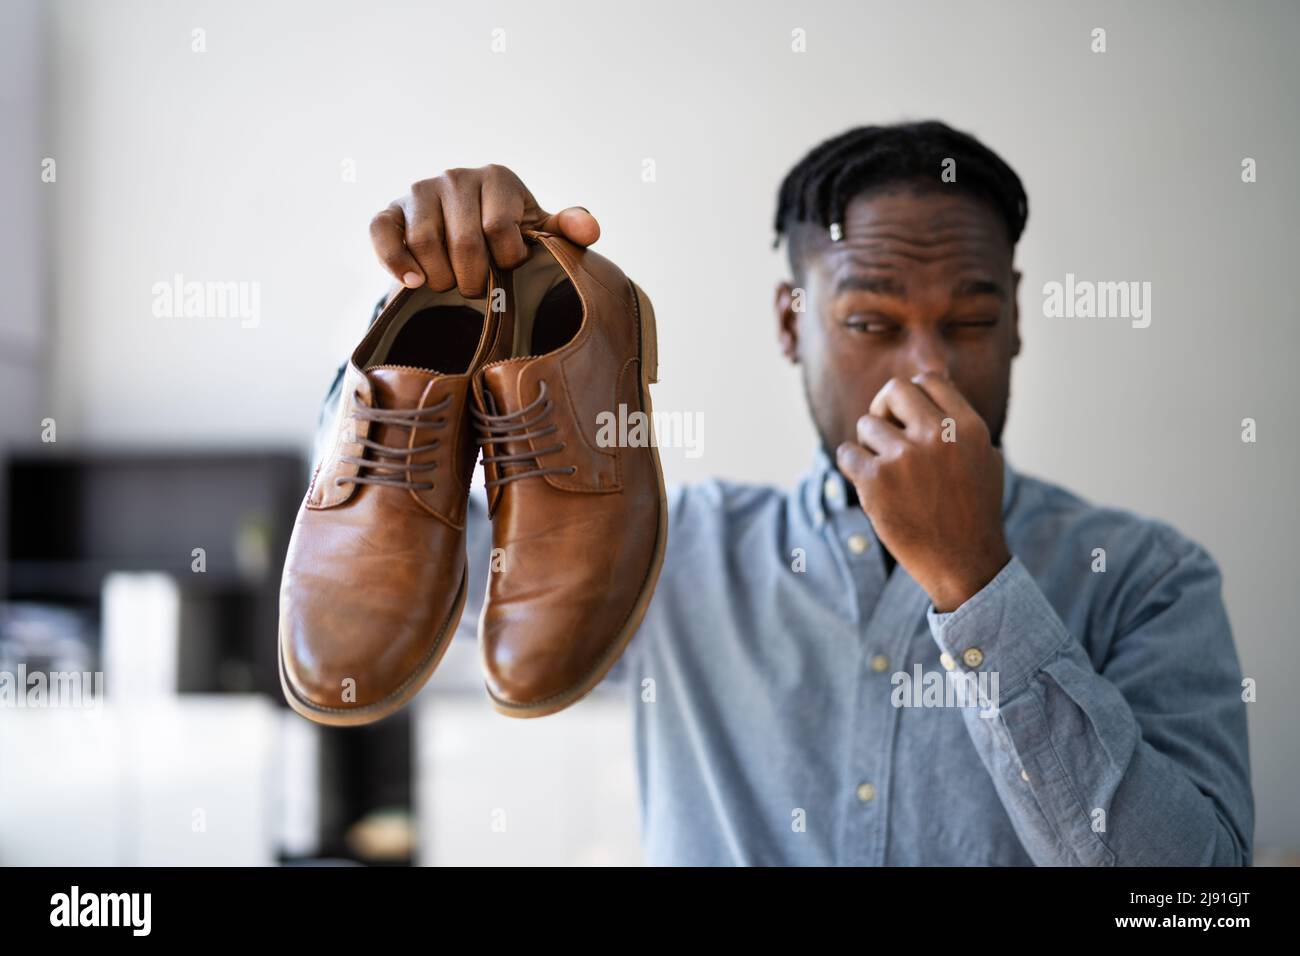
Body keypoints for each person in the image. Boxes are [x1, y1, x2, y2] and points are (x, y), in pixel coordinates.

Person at [320, 120, 1253, 866]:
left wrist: (978, 584)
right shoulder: (666, 548)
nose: (927, 367)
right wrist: (444, 305)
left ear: (1014, 323)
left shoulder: (1147, 578)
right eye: (869, 321)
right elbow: (383, 587)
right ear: (790, 323)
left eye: (971, 320)